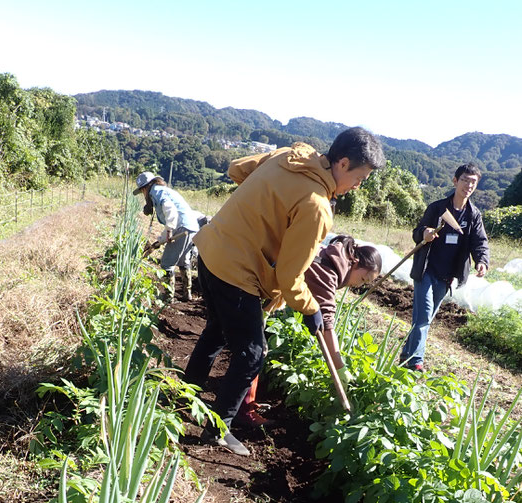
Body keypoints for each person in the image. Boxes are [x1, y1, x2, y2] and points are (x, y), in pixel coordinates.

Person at [183, 127, 386, 456]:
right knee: (252, 353)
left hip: (209, 249)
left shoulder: (289, 155)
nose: (357, 186)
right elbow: (291, 276)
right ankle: (218, 429)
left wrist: (261, 208)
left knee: (218, 331)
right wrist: (311, 309)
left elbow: (237, 169)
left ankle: (185, 394)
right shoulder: (317, 206)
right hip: (236, 271)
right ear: (343, 163)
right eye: (360, 177)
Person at [235, 236, 383, 429]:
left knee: (226, 337)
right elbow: (327, 323)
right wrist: (339, 367)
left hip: (250, 275)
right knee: (256, 350)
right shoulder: (329, 271)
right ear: (355, 262)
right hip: (250, 281)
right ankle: (243, 411)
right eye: (363, 278)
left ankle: (192, 385)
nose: (358, 285)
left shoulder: (332, 256)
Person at [400, 164, 489, 372]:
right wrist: (425, 233)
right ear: (455, 181)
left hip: (447, 275)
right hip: (427, 270)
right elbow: (417, 232)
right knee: (423, 317)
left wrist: (481, 260)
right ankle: (415, 363)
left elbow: (479, 242)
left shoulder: (473, 215)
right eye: (465, 180)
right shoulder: (437, 208)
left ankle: (406, 355)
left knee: (426, 318)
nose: (469, 185)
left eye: (473, 182)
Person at [133, 172, 200, 300]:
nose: (143, 195)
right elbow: (171, 220)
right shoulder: (162, 190)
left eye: (142, 192)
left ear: (145, 188)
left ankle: (168, 297)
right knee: (183, 262)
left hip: (182, 227)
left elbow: (171, 212)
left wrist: (169, 231)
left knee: (166, 264)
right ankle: (187, 294)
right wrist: (159, 241)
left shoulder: (156, 192)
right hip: (191, 227)